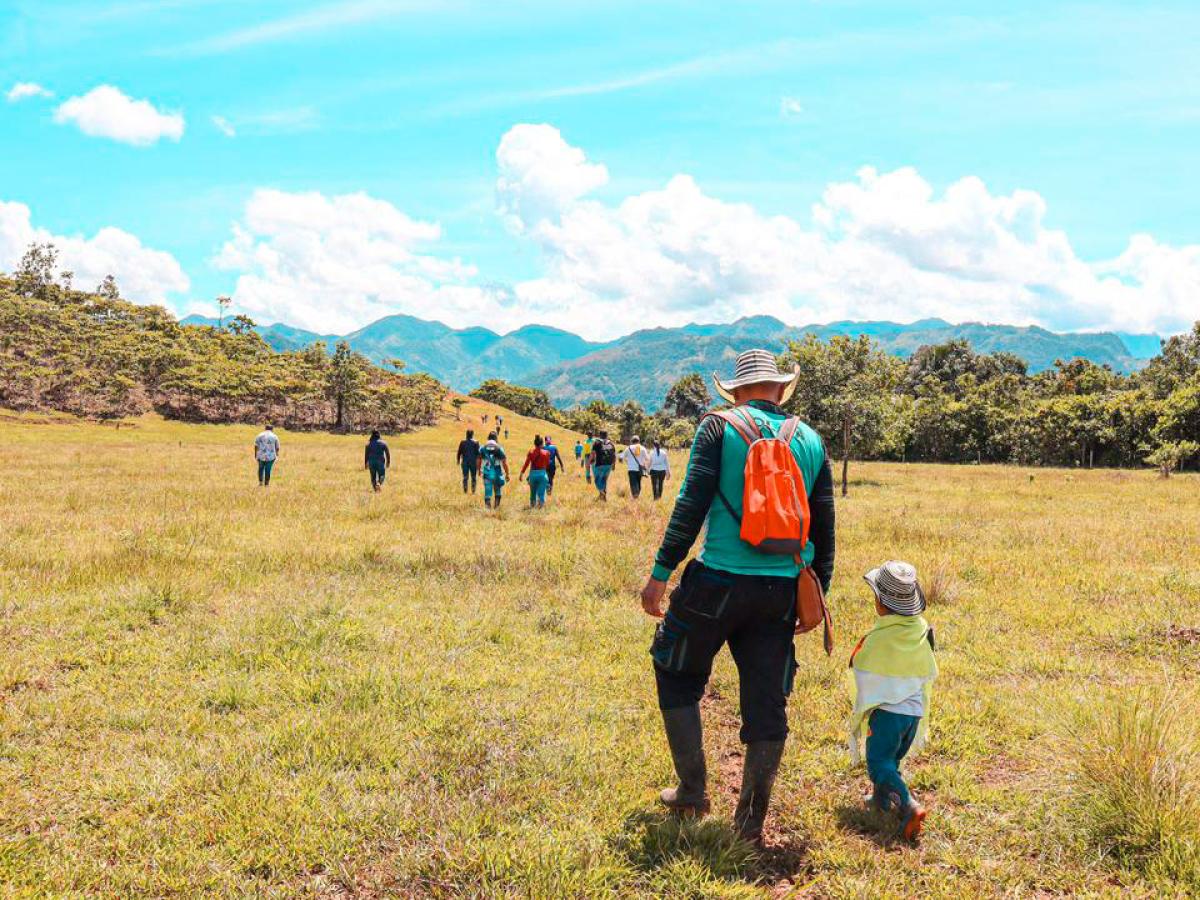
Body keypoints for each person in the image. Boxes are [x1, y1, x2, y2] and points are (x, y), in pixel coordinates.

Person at [639, 349, 836, 846]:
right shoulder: (810, 439)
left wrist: (660, 575)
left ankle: (691, 790)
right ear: (780, 388)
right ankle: (749, 826)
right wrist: (817, 597)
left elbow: (691, 505)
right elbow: (825, 530)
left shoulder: (716, 428)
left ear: (736, 390)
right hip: (780, 591)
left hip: (717, 583)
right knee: (767, 702)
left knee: (675, 668)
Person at [848, 561, 937, 842]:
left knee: (878, 763)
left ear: (882, 603)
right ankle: (881, 801)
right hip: (914, 714)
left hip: (887, 715)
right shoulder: (919, 630)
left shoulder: (881, 637)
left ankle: (908, 806)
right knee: (892, 759)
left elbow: (860, 665)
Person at [477, 432, 509, 510]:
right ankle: (496, 508)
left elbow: (478, 460)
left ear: (488, 438)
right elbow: (504, 463)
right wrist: (507, 473)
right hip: (497, 473)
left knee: (488, 492)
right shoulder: (499, 448)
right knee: (497, 491)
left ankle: (488, 509)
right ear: (496, 439)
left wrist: (479, 470)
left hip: (487, 473)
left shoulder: (482, 448)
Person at [519, 435, 552, 508]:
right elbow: (547, 464)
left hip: (533, 475)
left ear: (534, 444)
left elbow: (526, 464)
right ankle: (540, 508)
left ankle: (532, 507)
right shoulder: (547, 453)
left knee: (533, 493)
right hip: (542, 474)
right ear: (542, 444)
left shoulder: (531, 452)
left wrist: (521, 473)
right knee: (541, 494)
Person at [589, 430, 616, 501]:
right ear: (607, 435)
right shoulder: (611, 443)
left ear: (600, 435)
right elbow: (614, 455)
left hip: (599, 464)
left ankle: (602, 492)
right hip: (609, 465)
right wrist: (613, 465)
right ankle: (602, 497)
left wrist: (590, 461)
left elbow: (593, 453)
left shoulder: (597, 443)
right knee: (604, 480)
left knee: (597, 480)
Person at [457, 429, 481, 494]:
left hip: (465, 462)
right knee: (473, 477)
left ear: (466, 434)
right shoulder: (476, 442)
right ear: (473, 435)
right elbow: (479, 454)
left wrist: (458, 460)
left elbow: (459, 452)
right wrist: (479, 463)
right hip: (473, 462)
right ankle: (473, 491)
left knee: (465, 477)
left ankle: (465, 491)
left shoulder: (462, 442)